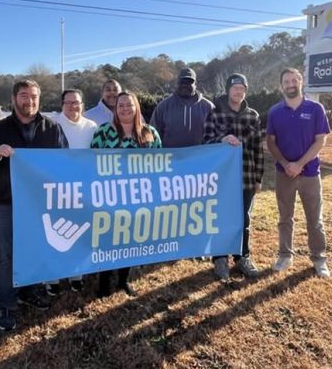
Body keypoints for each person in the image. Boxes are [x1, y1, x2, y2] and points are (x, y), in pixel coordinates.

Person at [0, 80, 68, 331]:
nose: (30, 100)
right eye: (24, 95)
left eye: (34, 96)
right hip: (9, 201)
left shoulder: (53, 128)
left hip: (42, 202)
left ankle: (30, 290)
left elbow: (66, 160)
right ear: (14, 98)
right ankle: (7, 303)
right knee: (7, 255)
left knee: (36, 248)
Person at [90, 91, 162, 298]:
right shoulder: (104, 132)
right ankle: (104, 282)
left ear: (136, 107)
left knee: (131, 238)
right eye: (120, 105)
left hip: (138, 196)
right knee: (108, 238)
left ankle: (123, 280)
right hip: (110, 195)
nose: (125, 109)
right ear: (115, 108)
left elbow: (160, 163)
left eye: (129, 105)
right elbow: (91, 161)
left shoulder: (149, 133)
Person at [266, 67, 331, 278]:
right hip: (283, 173)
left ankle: (319, 259)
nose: (290, 84)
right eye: (286, 81)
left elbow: (320, 140)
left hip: (309, 173)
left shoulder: (315, 108)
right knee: (285, 218)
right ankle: (285, 255)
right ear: (281, 86)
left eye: (294, 80)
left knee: (315, 219)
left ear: (301, 82)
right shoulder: (275, 111)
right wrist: (286, 164)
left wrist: (300, 164)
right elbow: (271, 142)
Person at [203, 73, 264, 280]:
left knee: (243, 219)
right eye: (235, 88)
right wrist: (222, 139)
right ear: (228, 90)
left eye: (242, 88)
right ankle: (220, 258)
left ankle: (242, 257)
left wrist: (258, 178)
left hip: (246, 175)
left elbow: (258, 149)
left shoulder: (253, 116)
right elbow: (205, 143)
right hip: (221, 178)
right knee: (220, 218)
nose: (238, 91)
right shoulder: (215, 114)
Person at [46, 89, 97, 295]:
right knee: (55, 233)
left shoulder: (91, 126)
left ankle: (76, 275)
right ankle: (52, 278)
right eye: (68, 103)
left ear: (82, 105)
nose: (72, 106)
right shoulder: (52, 125)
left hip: (83, 188)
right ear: (62, 105)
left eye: (76, 102)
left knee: (79, 232)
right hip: (56, 187)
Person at [151, 67, 214, 148]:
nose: (184, 85)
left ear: (196, 84)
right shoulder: (163, 107)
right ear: (177, 83)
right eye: (182, 82)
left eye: (189, 82)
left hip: (200, 155)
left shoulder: (208, 107)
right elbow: (152, 136)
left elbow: (216, 136)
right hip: (171, 155)